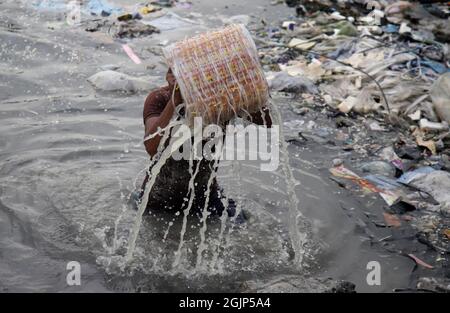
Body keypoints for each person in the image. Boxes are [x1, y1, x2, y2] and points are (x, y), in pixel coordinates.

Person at [134, 68, 272, 218]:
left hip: (205, 197)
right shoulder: (161, 97)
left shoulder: (223, 99)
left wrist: (247, 91)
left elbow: (267, 121)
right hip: (158, 197)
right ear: (169, 76)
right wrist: (175, 100)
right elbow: (152, 147)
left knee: (244, 223)